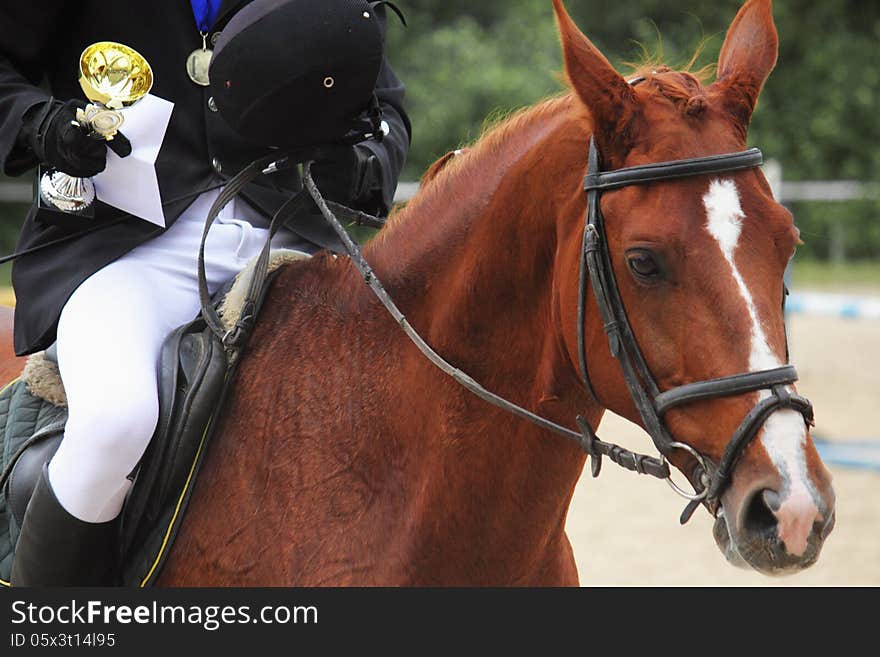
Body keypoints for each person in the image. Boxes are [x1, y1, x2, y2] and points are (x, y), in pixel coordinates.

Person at [0, 0, 410, 586]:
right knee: (116, 421)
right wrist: (40, 124)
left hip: (291, 234)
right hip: (128, 243)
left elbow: (381, 98)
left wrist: (361, 168)